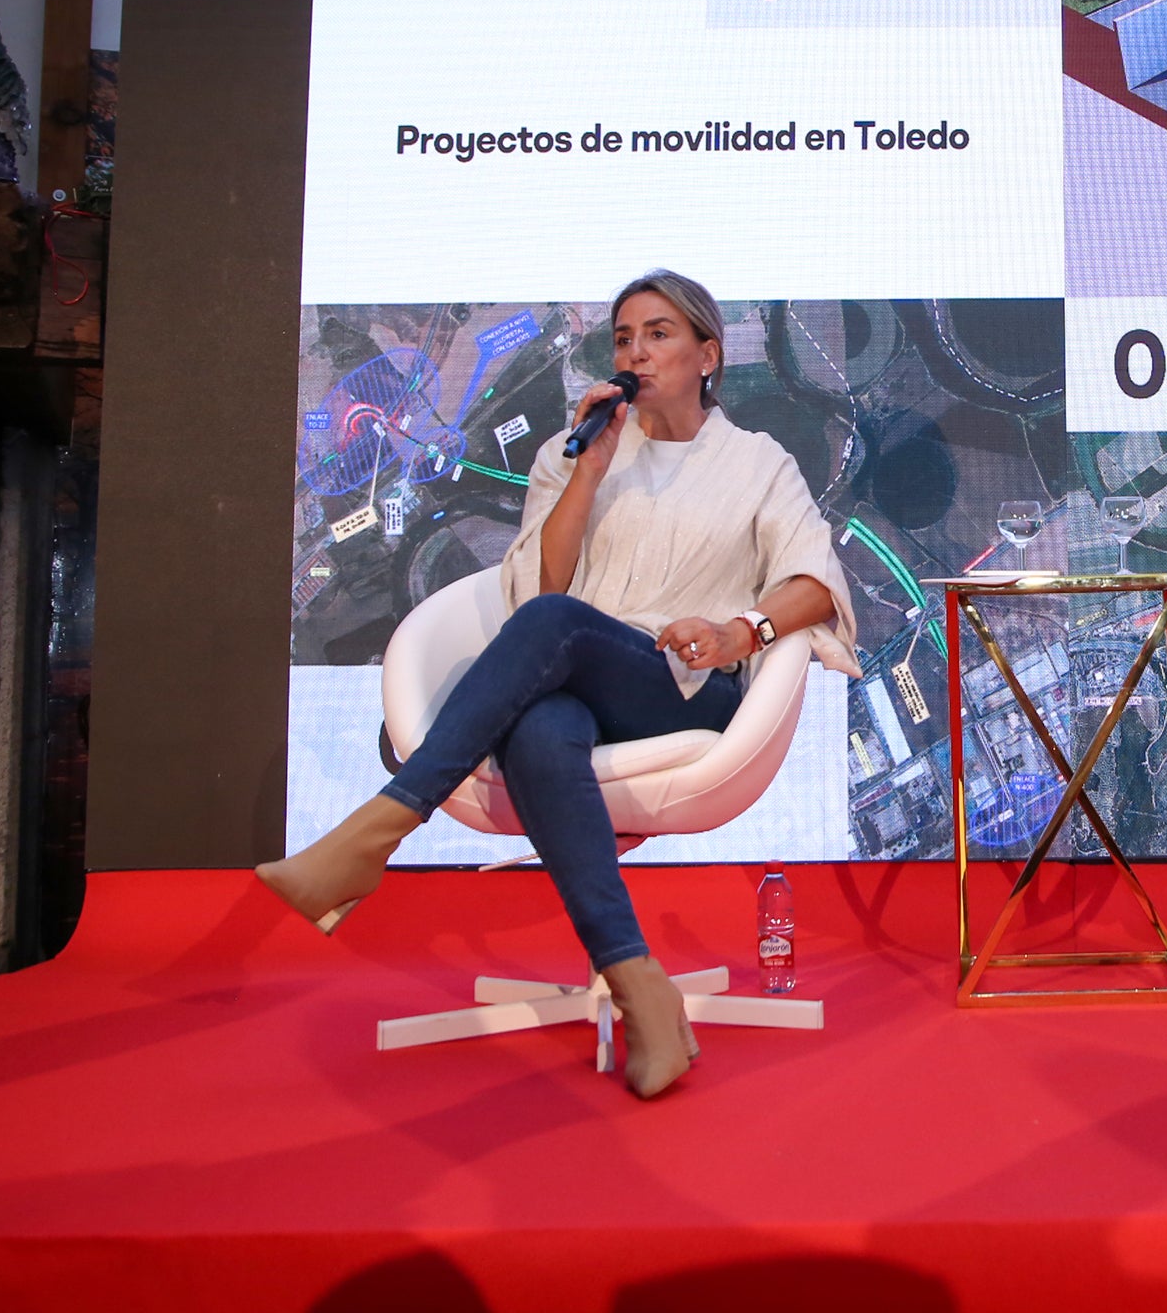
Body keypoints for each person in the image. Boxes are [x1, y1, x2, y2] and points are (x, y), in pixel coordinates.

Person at [257, 271, 857, 1098]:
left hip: (685, 684)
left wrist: (737, 632)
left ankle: (376, 832)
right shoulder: (571, 453)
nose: (635, 352)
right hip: (574, 665)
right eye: (623, 338)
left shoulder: (758, 462)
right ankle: (643, 992)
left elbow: (817, 584)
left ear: (708, 355)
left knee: (553, 631)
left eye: (657, 334)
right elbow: (543, 587)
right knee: (542, 726)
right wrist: (588, 472)